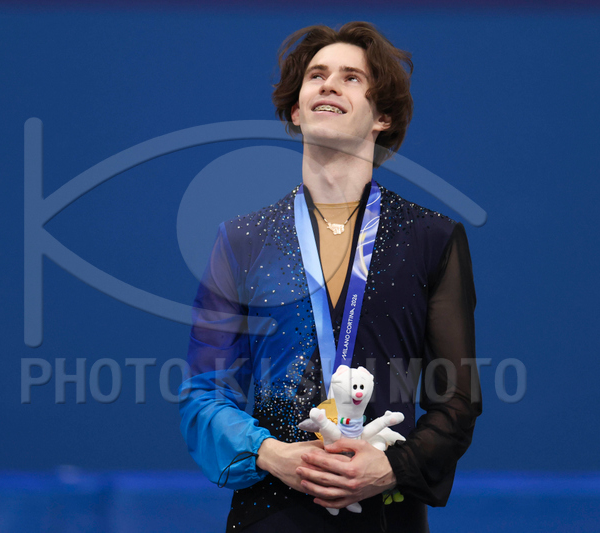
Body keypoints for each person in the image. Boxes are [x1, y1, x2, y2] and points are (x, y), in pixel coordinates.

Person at [180, 21, 481, 532]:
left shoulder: (431, 238)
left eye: (351, 78)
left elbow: (456, 397)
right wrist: (271, 453)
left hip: (388, 514)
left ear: (382, 116)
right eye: (316, 75)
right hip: (271, 511)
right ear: (297, 110)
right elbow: (204, 393)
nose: (329, 85)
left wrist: (390, 467)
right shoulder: (242, 241)